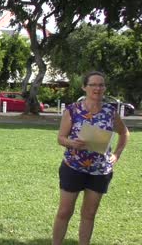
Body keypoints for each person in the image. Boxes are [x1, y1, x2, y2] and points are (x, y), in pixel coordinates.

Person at [52, 71, 129, 245]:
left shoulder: (111, 111)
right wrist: (72, 143)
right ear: (84, 87)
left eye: (101, 85)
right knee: (64, 212)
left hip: (100, 171)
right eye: (93, 84)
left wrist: (116, 155)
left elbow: (124, 132)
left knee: (89, 214)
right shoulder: (72, 110)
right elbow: (60, 138)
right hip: (73, 167)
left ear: (105, 88)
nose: (97, 88)